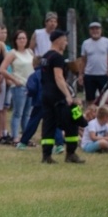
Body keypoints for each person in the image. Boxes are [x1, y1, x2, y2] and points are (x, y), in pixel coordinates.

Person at [40, 30, 84, 164]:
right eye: (65, 40)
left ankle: (46, 156)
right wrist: (68, 95)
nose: (66, 42)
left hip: (46, 95)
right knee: (72, 123)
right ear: (58, 40)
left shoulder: (45, 56)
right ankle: (71, 154)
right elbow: (58, 77)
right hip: (58, 96)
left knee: (49, 124)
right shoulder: (58, 57)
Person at [0, 30, 34, 145]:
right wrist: (14, 79)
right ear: (15, 41)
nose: (22, 40)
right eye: (20, 38)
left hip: (30, 86)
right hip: (19, 86)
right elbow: (2, 69)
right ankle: (15, 136)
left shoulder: (30, 52)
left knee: (27, 113)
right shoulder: (13, 53)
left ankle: (26, 135)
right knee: (18, 112)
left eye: (24, 38)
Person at [78, 22, 108, 105]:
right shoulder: (85, 43)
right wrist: (80, 75)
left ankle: (105, 117)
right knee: (90, 99)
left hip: (103, 74)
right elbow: (83, 60)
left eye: (97, 29)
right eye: (92, 29)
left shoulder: (107, 42)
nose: (95, 31)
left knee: (105, 99)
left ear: (101, 30)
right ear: (89, 31)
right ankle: (91, 116)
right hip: (89, 75)